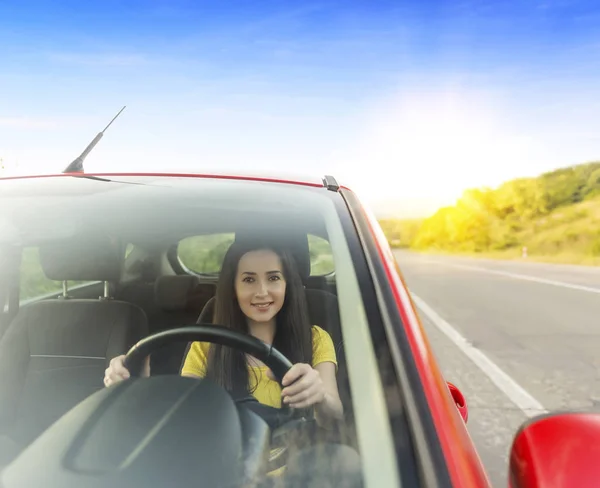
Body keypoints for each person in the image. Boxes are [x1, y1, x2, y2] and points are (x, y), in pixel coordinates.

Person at [103, 238, 362, 486]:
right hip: (222, 473)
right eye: (249, 279)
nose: (262, 291)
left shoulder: (315, 339)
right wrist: (138, 386)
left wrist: (319, 395)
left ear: (287, 284)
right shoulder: (206, 347)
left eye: (273, 278)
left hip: (293, 474)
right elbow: (185, 418)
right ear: (233, 288)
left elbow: (333, 418)